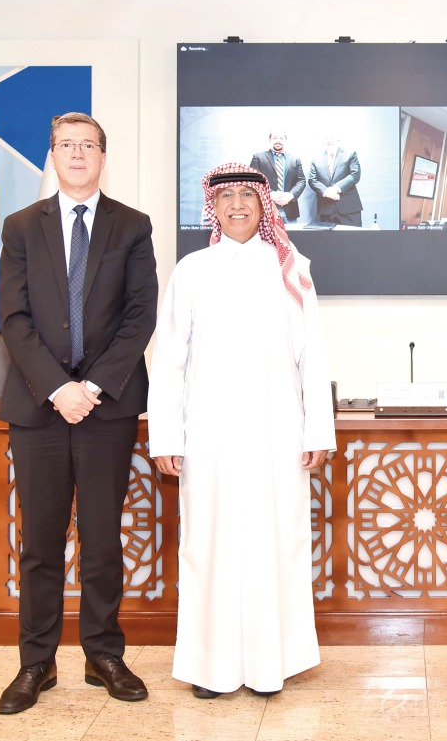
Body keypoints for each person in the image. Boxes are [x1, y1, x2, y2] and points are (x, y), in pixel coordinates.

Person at [148, 163, 336, 699]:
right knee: (210, 547)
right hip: (208, 437)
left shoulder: (292, 268)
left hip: (278, 434)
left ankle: (269, 665)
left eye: (245, 196)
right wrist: (166, 437)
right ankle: (212, 668)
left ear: (263, 204)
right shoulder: (192, 269)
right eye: (225, 196)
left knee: (275, 544)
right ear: (213, 206)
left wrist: (316, 432)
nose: (236, 205)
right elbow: (169, 361)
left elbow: (312, 356)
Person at [0, 112, 157, 714]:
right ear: (53, 157)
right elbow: (13, 317)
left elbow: (141, 315)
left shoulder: (133, 227)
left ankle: (102, 655)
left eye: (88, 145)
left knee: (101, 537)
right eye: (66, 145)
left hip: (106, 406)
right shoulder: (20, 226)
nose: (77, 154)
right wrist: (57, 387)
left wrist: (90, 387)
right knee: (39, 541)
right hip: (38, 408)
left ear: (102, 156)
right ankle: (36, 662)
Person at [249, 130, 306, 222]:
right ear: (270, 140)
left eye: (281, 138)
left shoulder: (295, 160)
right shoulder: (258, 157)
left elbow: (301, 181)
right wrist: (269, 194)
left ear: (285, 141)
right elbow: (253, 180)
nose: (278, 141)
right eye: (275, 138)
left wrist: (290, 195)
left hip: (289, 210)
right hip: (266, 209)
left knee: (291, 236)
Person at [308, 135, 363, 226]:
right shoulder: (316, 159)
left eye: (331, 138)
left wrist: (335, 189)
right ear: (323, 142)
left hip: (349, 208)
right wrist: (326, 192)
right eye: (326, 138)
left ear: (337, 139)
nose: (328, 140)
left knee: (352, 239)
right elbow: (312, 180)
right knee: (328, 240)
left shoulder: (350, 154)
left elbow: (355, 175)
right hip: (326, 209)